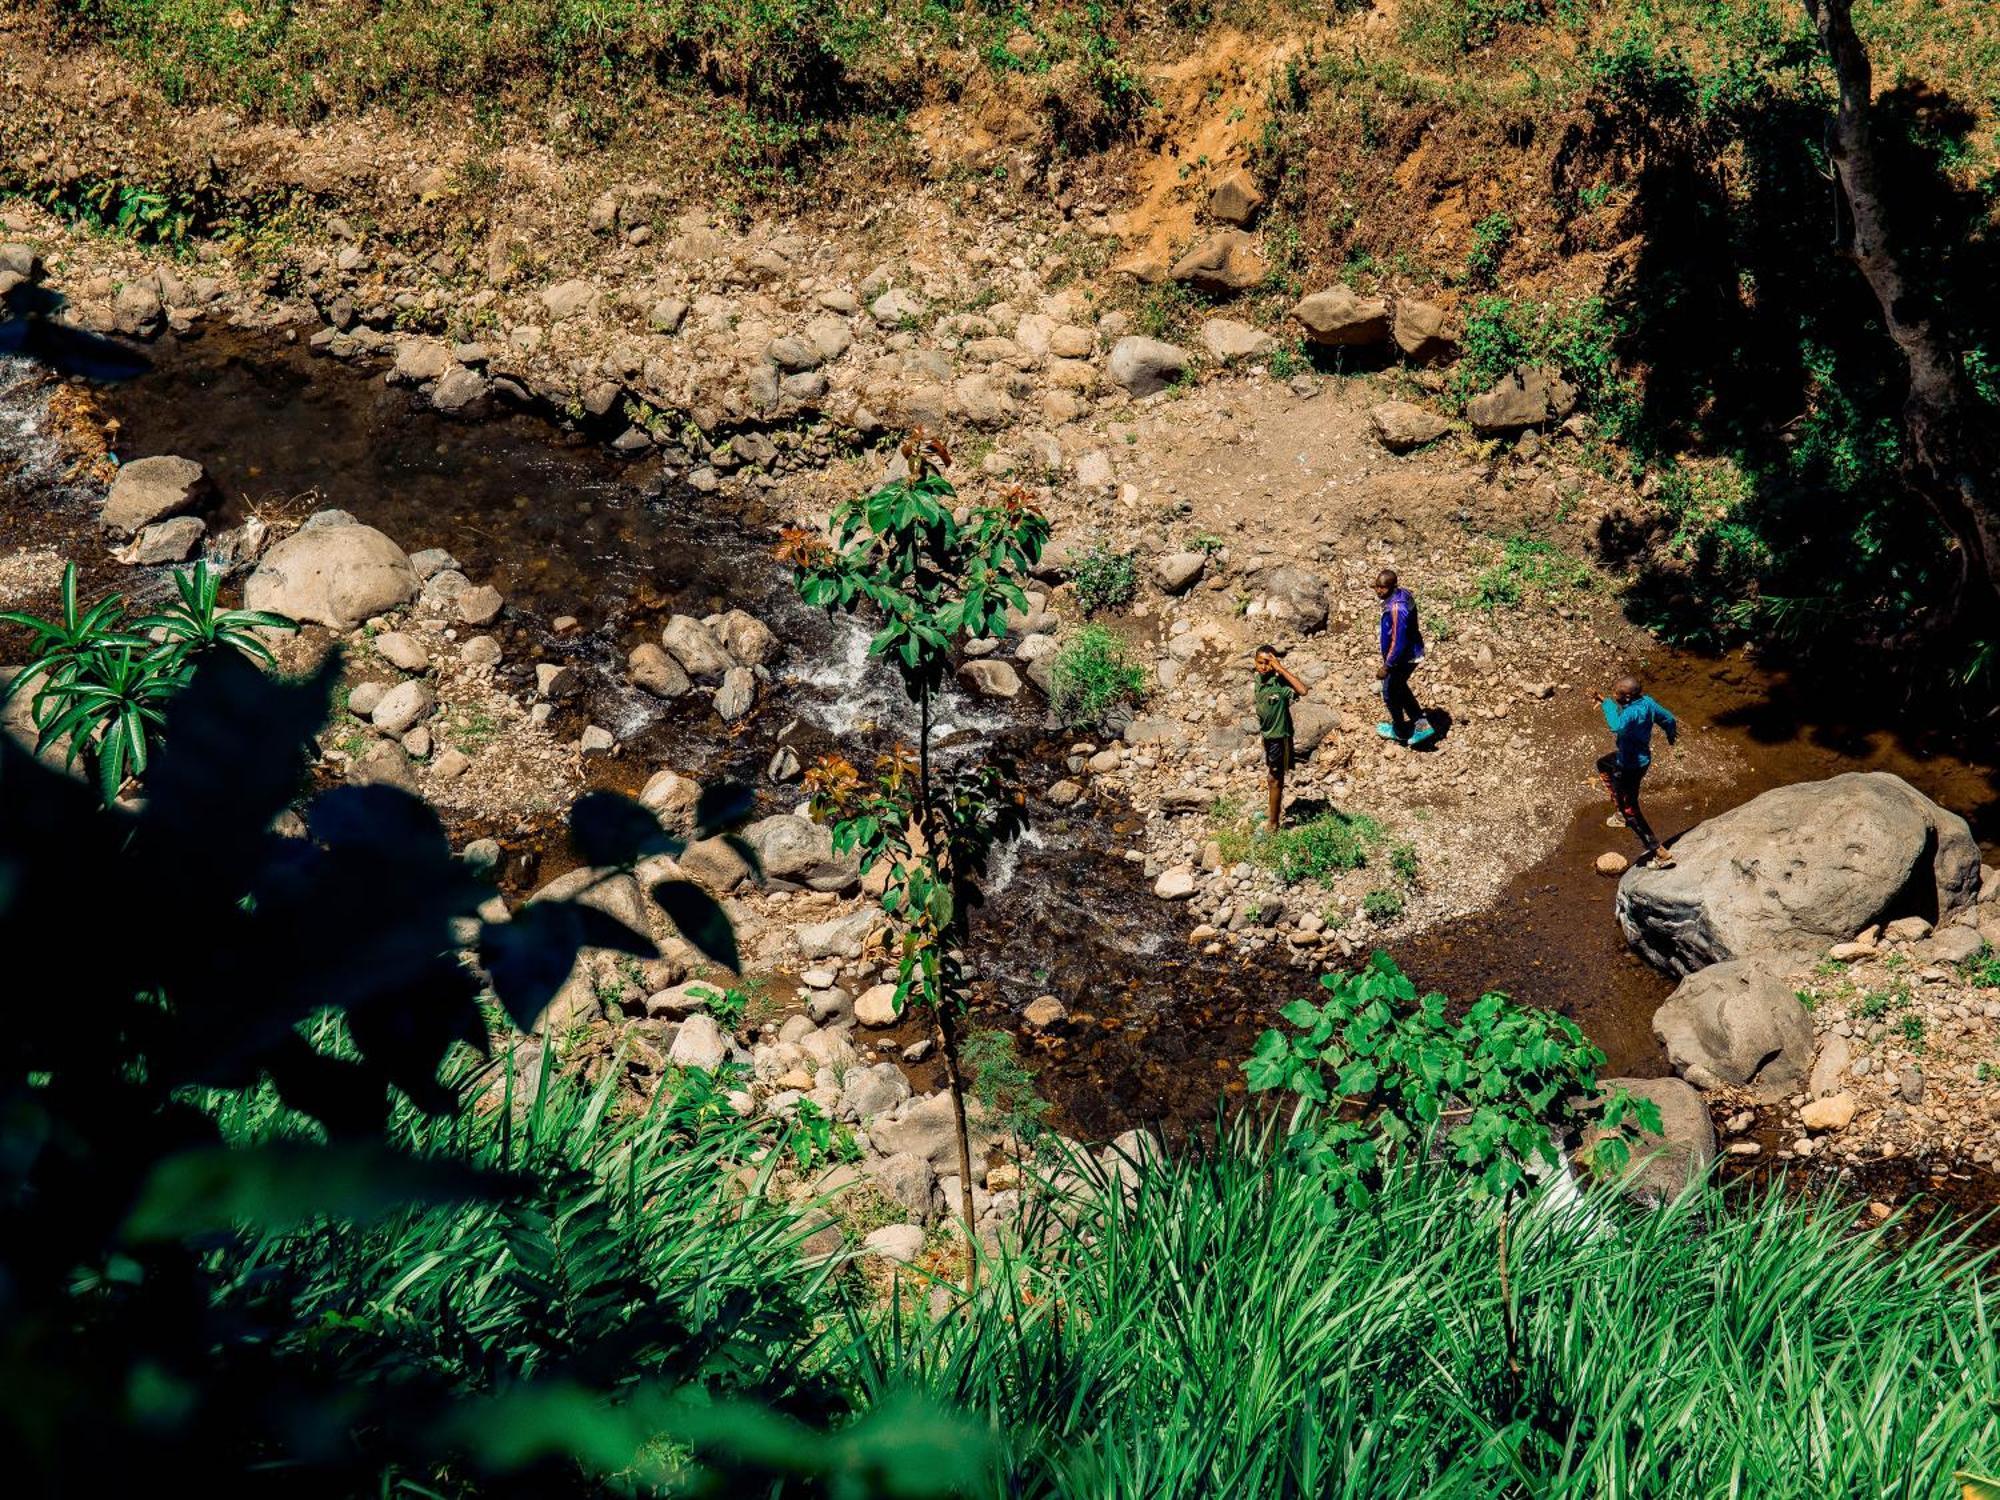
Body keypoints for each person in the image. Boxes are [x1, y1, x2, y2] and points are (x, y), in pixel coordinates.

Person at [1595, 675, 1678, 868]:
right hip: (1642, 760)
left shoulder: (1630, 713)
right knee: (1603, 764)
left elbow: (1616, 726)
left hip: (1628, 766)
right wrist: (1671, 734)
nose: (1613, 694)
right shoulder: (1647, 702)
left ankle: (1660, 853)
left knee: (1632, 810)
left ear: (1627, 697)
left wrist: (1607, 706)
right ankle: (1621, 808)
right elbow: (1669, 718)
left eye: (1617, 693)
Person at [1372, 569, 1433, 746]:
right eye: (1377, 586)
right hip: (1409, 652)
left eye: (1382, 588)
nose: (1378, 591)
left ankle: (1399, 730)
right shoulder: (1402, 594)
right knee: (1400, 688)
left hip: (1403, 657)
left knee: (1390, 693)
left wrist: (1387, 665)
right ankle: (1421, 725)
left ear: (1392, 586)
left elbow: (1398, 640)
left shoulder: (1398, 608)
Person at [1253, 644, 1309, 831]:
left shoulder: (1280, 684)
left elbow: (1302, 690)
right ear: (1255, 662)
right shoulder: (1258, 679)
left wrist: (1280, 668)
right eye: (1260, 662)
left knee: (1274, 778)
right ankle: (1273, 812)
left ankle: (1273, 824)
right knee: (1272, 775)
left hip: (1279, 737)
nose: (1264, 667)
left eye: (1268, 663)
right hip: (1267, 736)